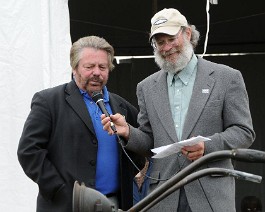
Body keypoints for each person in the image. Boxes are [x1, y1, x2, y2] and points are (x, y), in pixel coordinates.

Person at [101, 8, 255, 212]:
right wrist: (128, 132)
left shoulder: (226, 78)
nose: (166, 48)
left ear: (188, 34)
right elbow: (150, 142)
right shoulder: (146, 87)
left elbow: (244, 132)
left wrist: (207, 147)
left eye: (171, 39)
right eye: (160, 42)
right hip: (164, 196)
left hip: (211, 196)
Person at [17, 35, 144, 212]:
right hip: (66, 204)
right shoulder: (48, 101)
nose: (97, 72)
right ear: (74, 68)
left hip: (114, 204)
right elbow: (29, 151)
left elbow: (140, 147)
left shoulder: (123, 107)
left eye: (102, 67)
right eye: (89, 67)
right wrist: (59, 190)